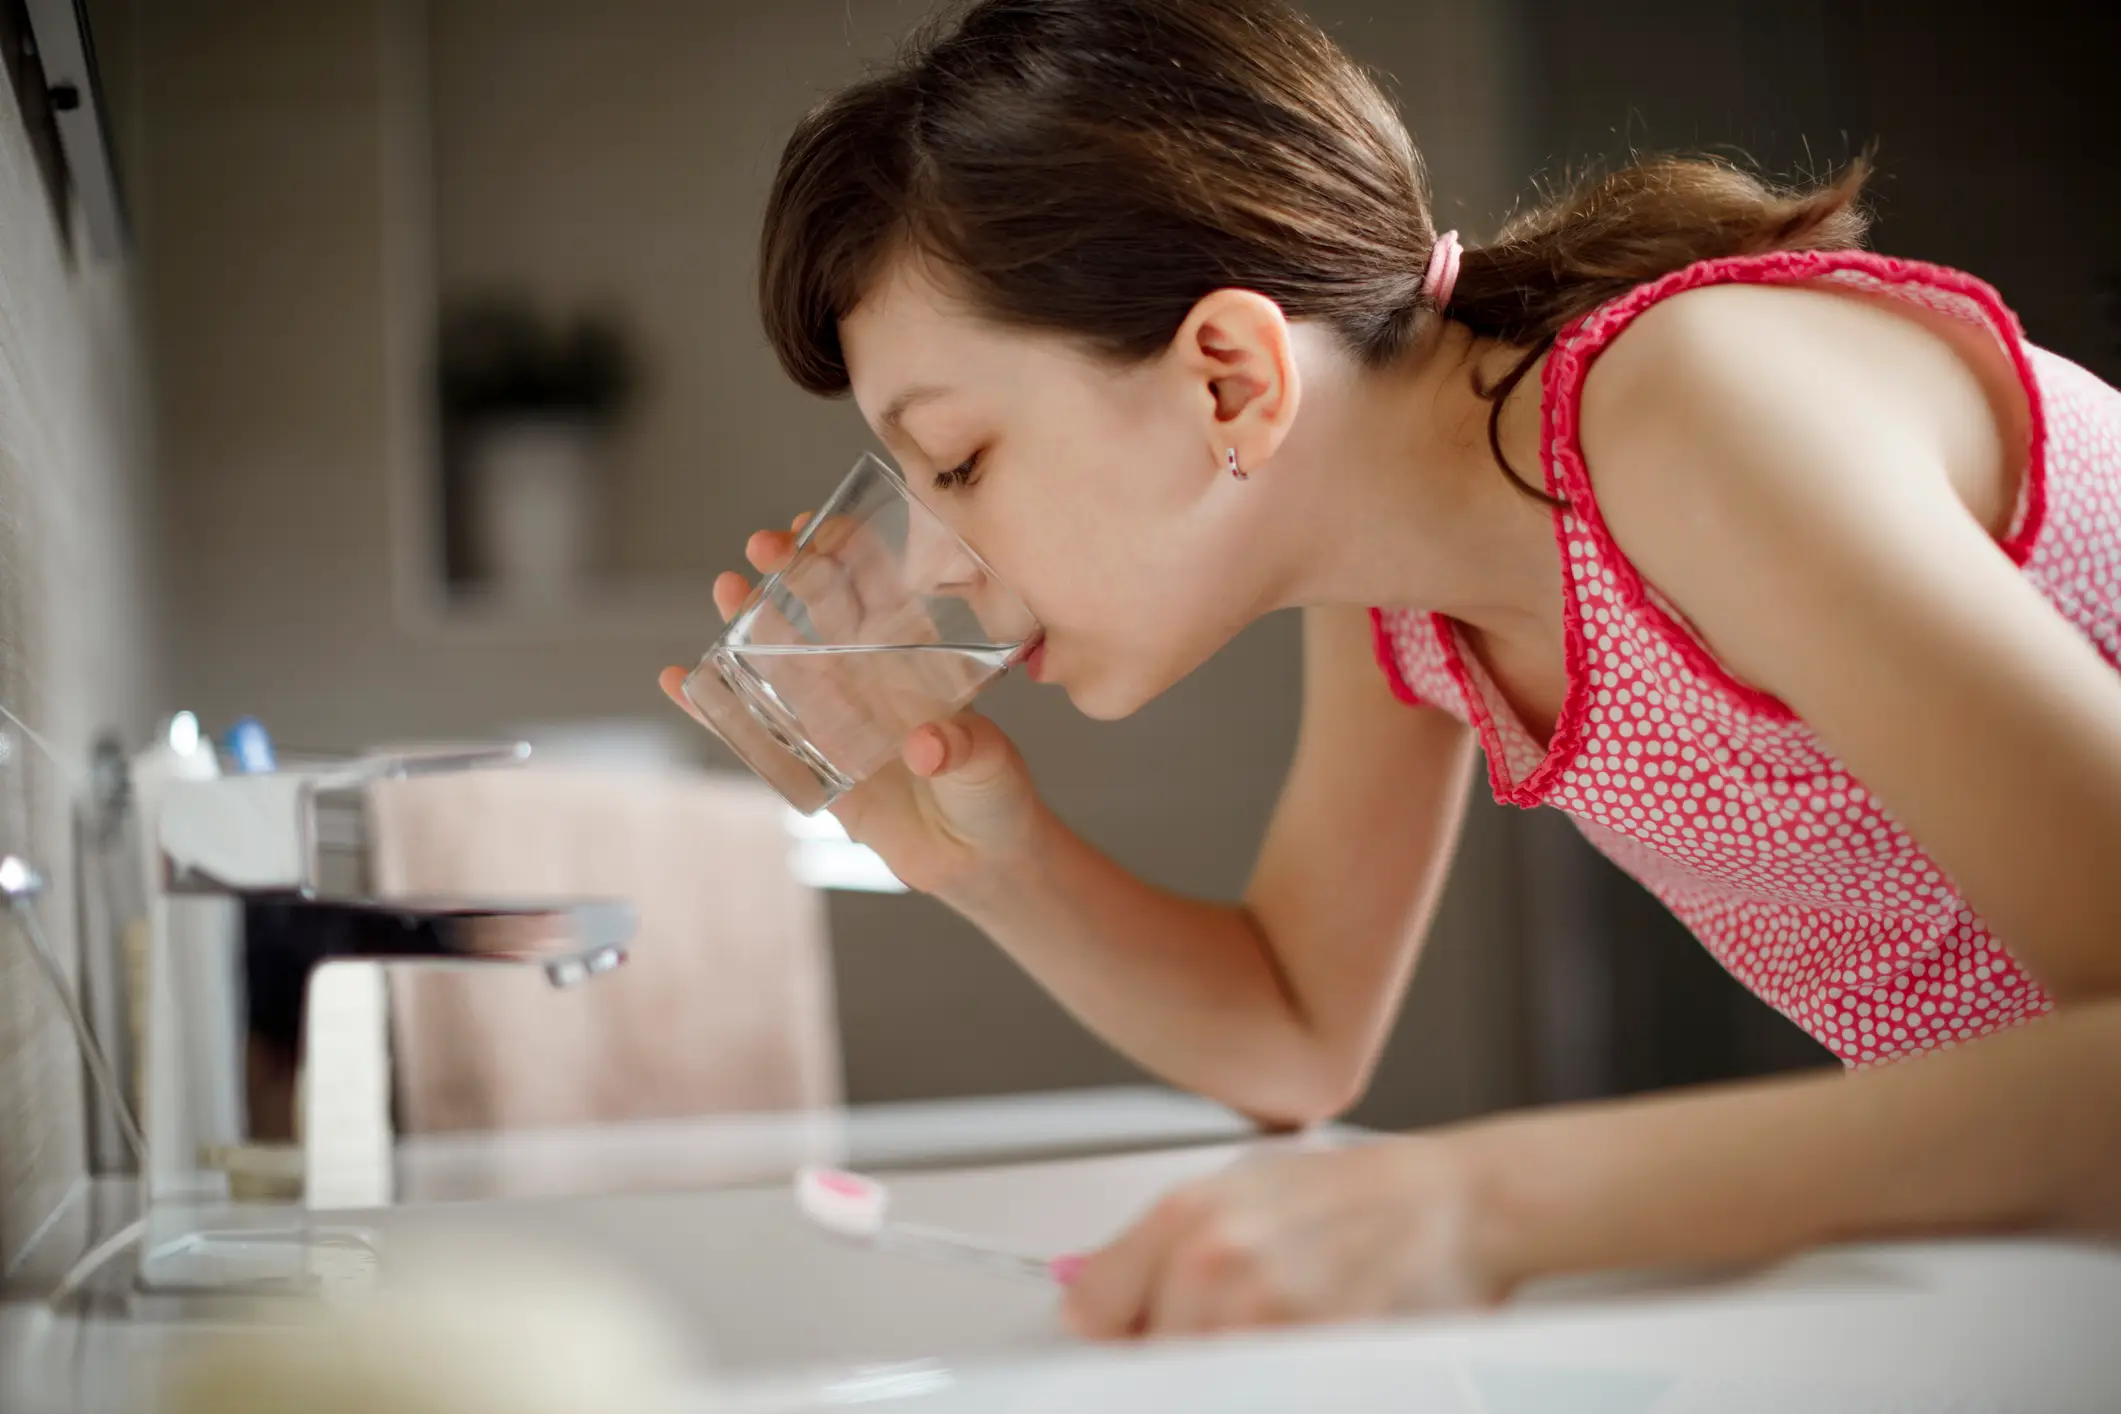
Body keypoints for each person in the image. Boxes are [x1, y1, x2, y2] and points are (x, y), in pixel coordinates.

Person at [659, 0, 2121, 1339]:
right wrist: (987, 859)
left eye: (959, 461)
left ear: (1230, 375)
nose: (927, 567)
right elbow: (1299, 1035)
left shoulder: (1699, 412)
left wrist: (1480, 1202)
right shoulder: (1393, 586)